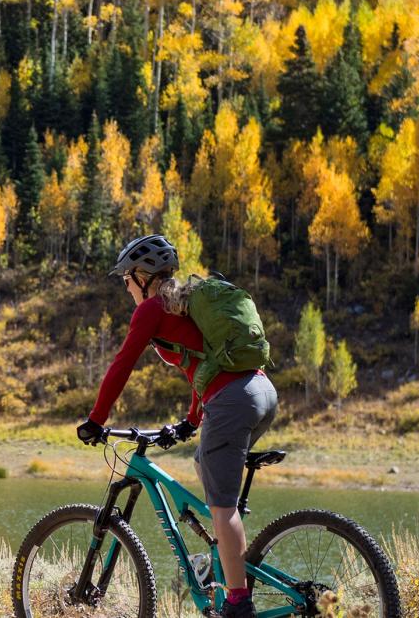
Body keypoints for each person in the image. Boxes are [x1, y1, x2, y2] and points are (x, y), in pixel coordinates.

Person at [76, 234, 278, 618]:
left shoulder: (152, 309)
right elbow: (205, 365)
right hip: (260, 391)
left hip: (234, 399)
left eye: (126, 280)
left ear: (141, 276)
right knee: (205, 463)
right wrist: (190, 421)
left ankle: (238, 602)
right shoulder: (185, 304)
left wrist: (96, 420)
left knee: (222, 505)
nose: (126, 288)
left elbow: (122, 365)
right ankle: (223, 559)